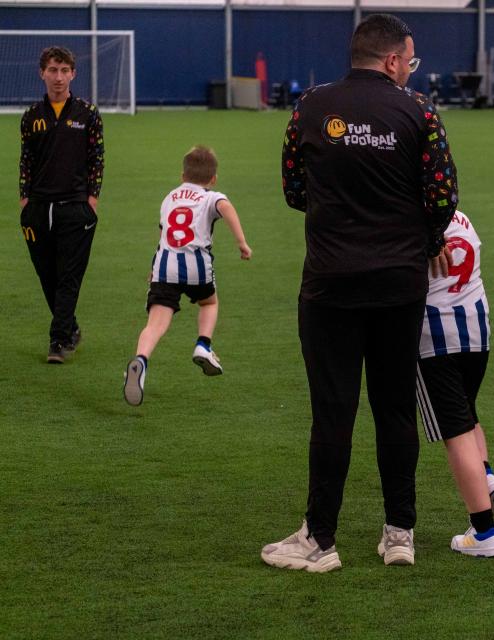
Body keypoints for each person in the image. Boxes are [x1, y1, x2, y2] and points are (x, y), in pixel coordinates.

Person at [262, 13, 458, 573]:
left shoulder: (310, 106)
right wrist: (419, 238)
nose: (410, 69)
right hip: (399, 283)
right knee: (395, 408)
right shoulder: (419, 110)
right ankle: (400, 533)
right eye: (409, 61)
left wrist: (340, 210)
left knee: (333, 412)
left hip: (330, 282)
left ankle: (320, 540)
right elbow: (442, 196)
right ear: (393, 61)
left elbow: (293, 189)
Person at [122, 146, 252, 406]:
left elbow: (163, 234)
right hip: (197, 266)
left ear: (183, 176)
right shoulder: (211, 196)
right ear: (213, 178)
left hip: (165, 266)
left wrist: (153, 268)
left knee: (155, 323)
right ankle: (203, 344)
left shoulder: (170, 197)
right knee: (209, 302)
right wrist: (241, 242)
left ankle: (141, 360)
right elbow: (225, 207)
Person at [417, 210, 494, 558]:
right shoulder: (462, 218)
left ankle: (484, 532)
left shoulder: (413, 221)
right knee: (466, 412)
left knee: (454, 432)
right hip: (477, 330)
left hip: (436, 336)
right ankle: (486, 474)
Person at [19, 46, 104, 364]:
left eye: (64, 70)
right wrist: (25, 199)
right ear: (42, 73)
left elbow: (97, 158)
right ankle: (70, 327)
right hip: (38, 209)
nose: (59, 77)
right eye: (53, 70)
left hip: (75, 208)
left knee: (69, 276)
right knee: (47, 276)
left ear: (73, 74)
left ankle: (58, 340)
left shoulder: (88, 113)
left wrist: (92, 199)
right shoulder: (31, 116)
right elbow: (26, 161)